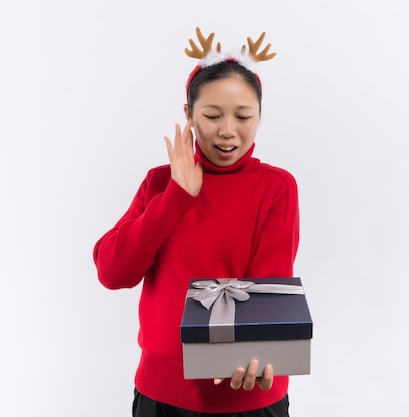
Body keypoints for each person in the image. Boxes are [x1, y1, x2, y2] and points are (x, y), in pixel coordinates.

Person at [93, 28, 299, 416]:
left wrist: (258, 352)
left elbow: (268, 284)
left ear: (259, 116)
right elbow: (113, 272)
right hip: (163, 395)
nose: (227, 131)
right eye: (211, 115)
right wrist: (176, 196)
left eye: (243, 116)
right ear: (188, 114)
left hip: (249, 393)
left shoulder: (276, 187)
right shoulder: (159, 183)